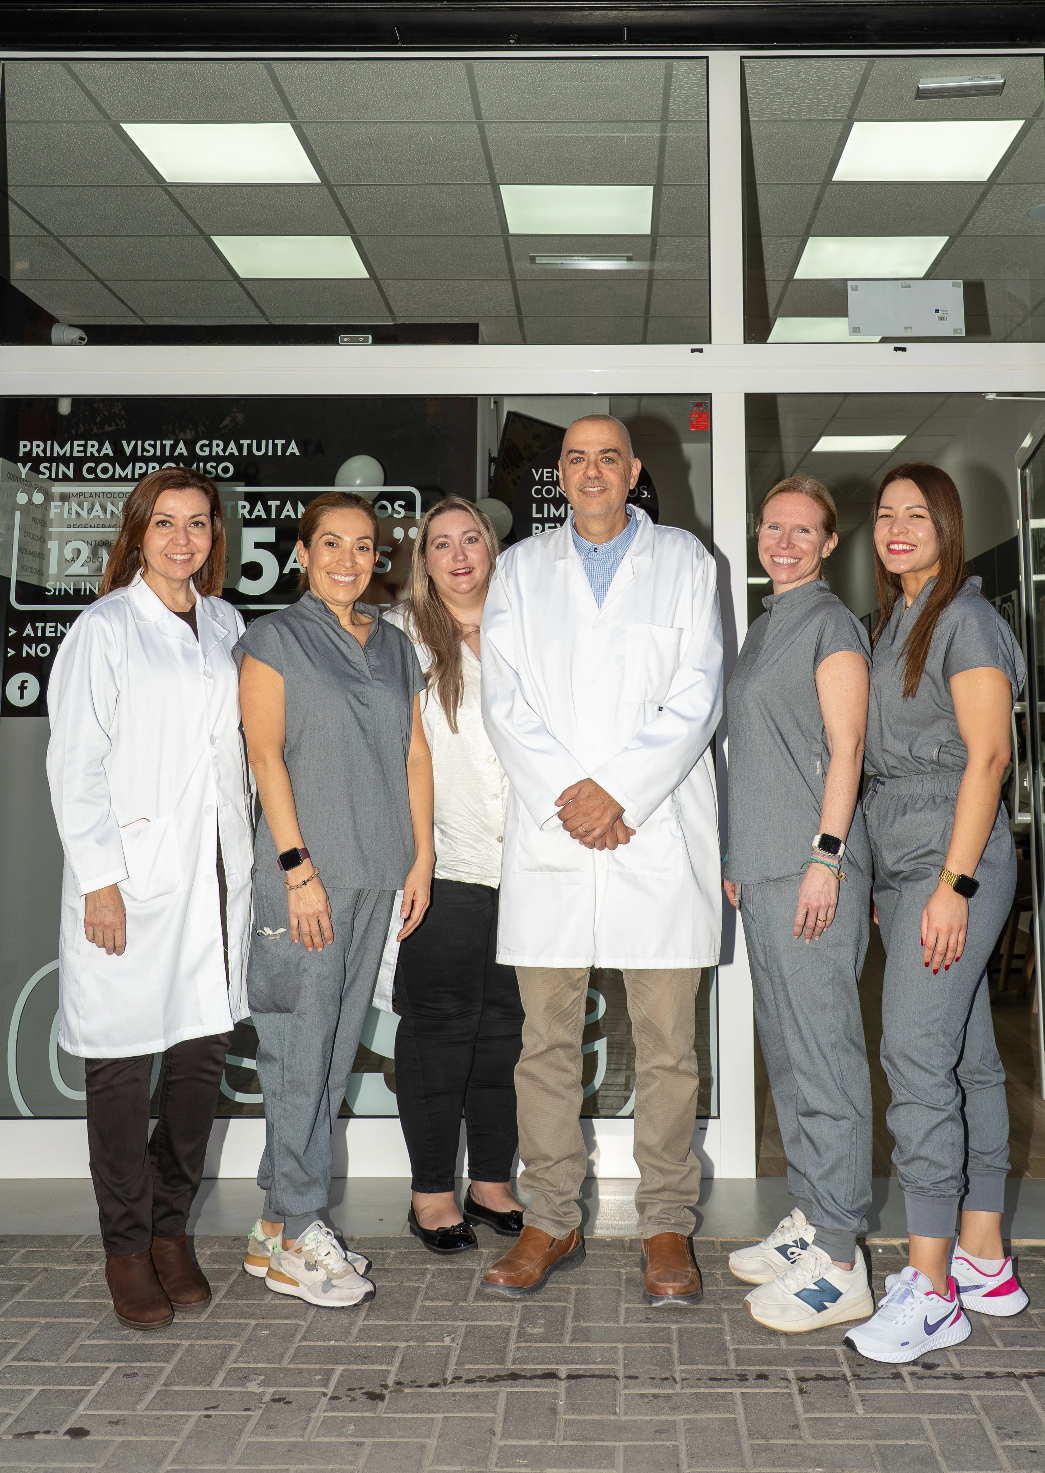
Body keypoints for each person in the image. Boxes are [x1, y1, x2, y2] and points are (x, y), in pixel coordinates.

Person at [479, 414, 722, 1305]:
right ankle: (551, 1216)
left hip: (651, 833)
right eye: (574, 458)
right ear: (561, 475)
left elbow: (698, 693)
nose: (590, 471)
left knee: (666, 1049)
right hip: (555, 837)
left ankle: (665, 1223)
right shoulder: (518, 570)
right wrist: (572, 796)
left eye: (605, 458)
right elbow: (503, 699)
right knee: (544, 1046)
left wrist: (617, 790)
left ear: (632, 471)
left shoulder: (687, 564)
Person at [47, 468, 253, 1332]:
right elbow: (73, 764)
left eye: (197, 524)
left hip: (211, 877)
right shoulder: (104, 629)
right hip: (130, 880)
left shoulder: (226, 622)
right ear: (137, 534)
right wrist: (99, 879)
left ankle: (172, 1228)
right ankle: (127, 1248)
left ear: (215, 536)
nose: (182, 539)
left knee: (200, 1069)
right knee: (125, 1072)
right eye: (164, 524)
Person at [845, 463, 1030, 1365]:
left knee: (913, 1055)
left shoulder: (964, 619)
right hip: (906, 863)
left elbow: (987, 756)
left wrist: (951, 886)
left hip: (951, 861)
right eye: (885, 515)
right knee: (964, 1055)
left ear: (947, 526)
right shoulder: (898, 622)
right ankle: (984, 1256)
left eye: (916, 514)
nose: (897, 528)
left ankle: (929, 1289)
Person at [235, 491, 434, 1308]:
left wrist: (420, 858)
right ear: (302, 553)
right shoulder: (273, 640)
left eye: (362, 546)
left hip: (377, 871)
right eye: (330, 545)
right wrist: (296, 867)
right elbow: (266, 756)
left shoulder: (392, 645)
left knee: (329, 1049)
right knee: (295, 1047)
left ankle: (276, 1227)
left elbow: (414, 752)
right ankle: (297, 1226)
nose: (348, 560)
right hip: (305, 878)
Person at [723, 476, 875, 1333]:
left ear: (825, 543)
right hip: (764, 873)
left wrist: (825, 856)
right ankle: (812, 1220)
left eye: (801, 530)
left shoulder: (829, 623)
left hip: (812, 873)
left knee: (825, 1063)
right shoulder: (764, 625)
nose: (783, 541)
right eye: (772, 527)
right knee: (788, 1056)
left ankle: (843, 1260)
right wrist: (741, 856)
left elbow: (845, 746)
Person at [385, 496, 525, 1255]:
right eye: (442, 543)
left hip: (530, 866)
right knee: (439, 1028)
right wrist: (418, 858)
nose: (459, 554)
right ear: (424, 559)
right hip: (444, 862)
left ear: (493, 549)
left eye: (472, 538)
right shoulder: (405, 637)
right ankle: (431, 1189)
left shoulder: (523, 627)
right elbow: (400, 756)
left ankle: (493, 1180)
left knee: (508, 1029)